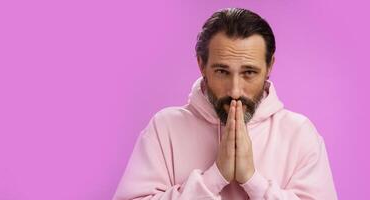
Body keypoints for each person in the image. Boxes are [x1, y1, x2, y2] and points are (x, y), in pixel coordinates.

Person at [113, 8, 337, 200]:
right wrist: (213, 179)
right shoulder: (165, 127)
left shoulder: (299, 133)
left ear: (270, 66)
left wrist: (253, 180)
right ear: (202, 65)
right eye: (222, 71)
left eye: (249, 72)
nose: (235, 91)